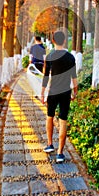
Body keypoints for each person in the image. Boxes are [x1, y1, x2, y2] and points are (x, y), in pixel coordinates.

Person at [41, 30, 78, 163]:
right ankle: (60, 153)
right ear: (64, 41)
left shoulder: (50, 56)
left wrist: (42, 93)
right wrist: (75, 92)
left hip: (53, 92)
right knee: (63, 120)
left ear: (53, 41)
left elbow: (46, 77)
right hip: (65, 92)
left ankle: (50, 144)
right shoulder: (70, 57)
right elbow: (74, 77)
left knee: (49, 116)